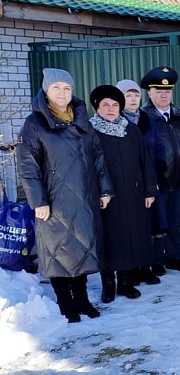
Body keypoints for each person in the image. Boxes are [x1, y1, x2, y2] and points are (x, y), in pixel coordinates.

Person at [17, 68, 114, 323]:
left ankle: (82, 300)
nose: (62, 93)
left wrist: (105, 189)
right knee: (58, 251)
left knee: (81, 248)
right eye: (56, 88)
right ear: (46, 91)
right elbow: (28, 166)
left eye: (67, 88)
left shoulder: (81, 119)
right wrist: (38, 201)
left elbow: (98, 156)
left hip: (85, 196)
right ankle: (65, 302)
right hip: (54, 199)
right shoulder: (35, 123)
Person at [88, 85, 158, 303]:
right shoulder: (90, 132)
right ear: (97, 108)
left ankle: (125, 282)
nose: (111, 109)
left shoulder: (131, 130)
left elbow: (145, 161)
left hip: (133, 193)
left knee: (131, 236)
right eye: (105, 105)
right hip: (105, 197)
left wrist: (149, 190)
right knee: (108, 239)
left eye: (115, 105)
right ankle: (108, 283)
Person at [140, 66, 180, 274]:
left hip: (179, 179)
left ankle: (174, 256)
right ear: (150, 93)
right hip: (157, 181)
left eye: (167, 91)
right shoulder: (143, 118)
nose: (163, 95)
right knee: (157, 223)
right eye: (158, 91)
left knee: (174, 221)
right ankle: (156, 261)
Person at [116, 78, 161, 286]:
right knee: (128, 229)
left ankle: (145, 267)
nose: (133, 99)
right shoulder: (114, 121)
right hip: (124, 183)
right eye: (128, 95)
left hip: (147, 178)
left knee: (146, 227)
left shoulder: (146, 119)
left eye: (136, 95)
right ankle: (130, 271)